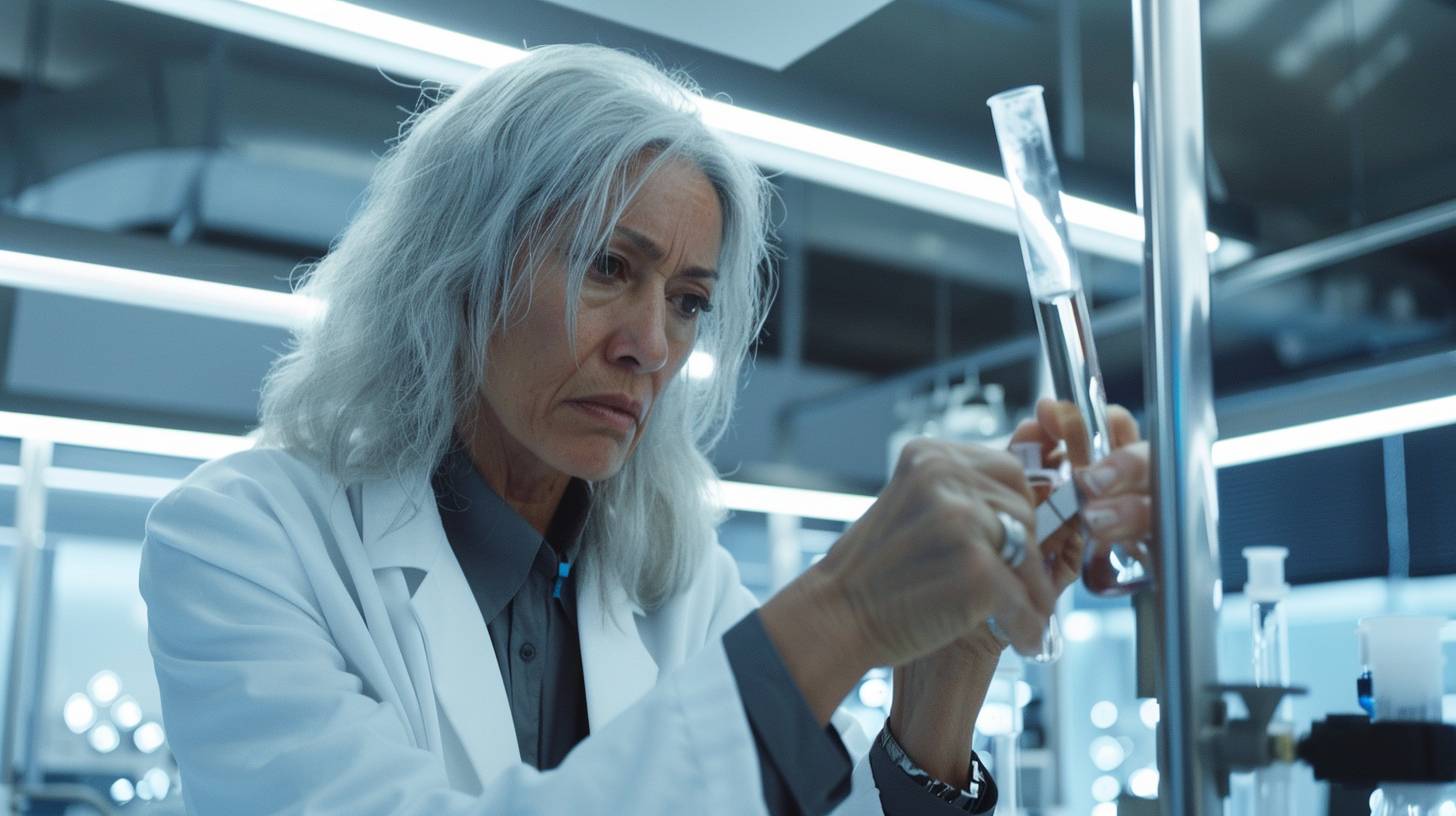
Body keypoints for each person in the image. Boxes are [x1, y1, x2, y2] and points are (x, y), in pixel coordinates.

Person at [139, 45, 1153, 815]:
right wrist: (840, 613)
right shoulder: (240, 541)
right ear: (457, 268)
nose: (652, 347)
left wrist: (952, 661)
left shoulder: (676, 585)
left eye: (688, 300)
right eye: (608, 267)